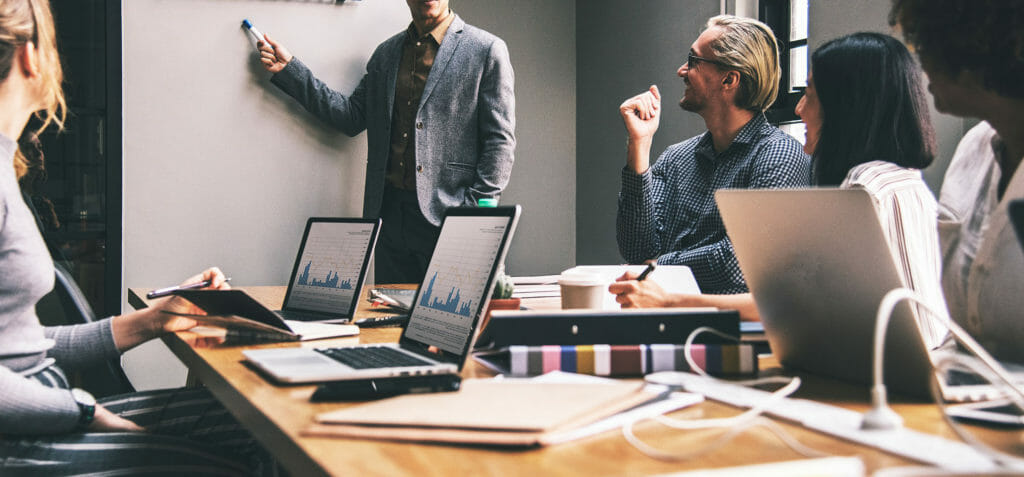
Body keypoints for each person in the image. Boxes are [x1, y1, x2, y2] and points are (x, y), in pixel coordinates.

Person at [0, 1, 276, 473]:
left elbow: (23, 348)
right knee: (250, 455)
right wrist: (88, 412)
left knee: (262, 422)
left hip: (43, 412)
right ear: (32, 56)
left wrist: (154, 320)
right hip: (23, 440)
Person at [611, 32, 950, 349]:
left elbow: (789, 298)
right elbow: (637, 248)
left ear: (845, 108)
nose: (799, 109)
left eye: (810, 94)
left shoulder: (864, 191)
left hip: (898, 380)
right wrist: (638, 146)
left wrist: (664, 286)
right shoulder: (897, 182)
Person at [256, 0, 515, 284]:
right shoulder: (386, 54)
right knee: (389, 322)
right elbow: (351, 116)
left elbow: (500, 141)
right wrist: (291, 71)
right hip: (389, 217)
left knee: (447, 322)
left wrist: (473, 213)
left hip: (449, 217)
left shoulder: (486, 50)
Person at [615, 15, 811, 295]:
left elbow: (739, 264)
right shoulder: (676, 158)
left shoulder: (779, 155)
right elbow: (636, 250)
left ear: (729, 79)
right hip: (663, 321)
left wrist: (658, 267)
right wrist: (639, 144)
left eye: (693, 60)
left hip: (728, 332)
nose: (681, 70)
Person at [890, 0, 1024, 362]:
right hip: (966, 400)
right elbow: (964, 335)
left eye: (927, 44)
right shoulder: (972, 151)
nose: (920, 62)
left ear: (973, 48)